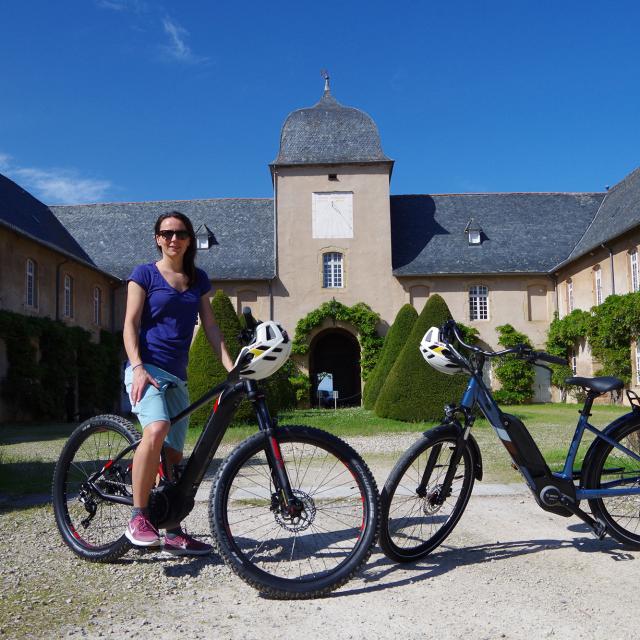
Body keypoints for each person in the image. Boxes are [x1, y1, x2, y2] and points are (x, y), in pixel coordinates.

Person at [123, 210, 234, 555]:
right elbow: (130, 323)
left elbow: (212, 328)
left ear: (190, 240)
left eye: (181, 233)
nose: (174, 238)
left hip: (178, 377)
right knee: (155, 431)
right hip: (147, 369)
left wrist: (233, 369)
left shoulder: (197, 279)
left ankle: (171, 530)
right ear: (158, 238)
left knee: (172, 457)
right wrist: (138, 366)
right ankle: (139, 516)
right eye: (167, 233)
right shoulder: (144, 274)